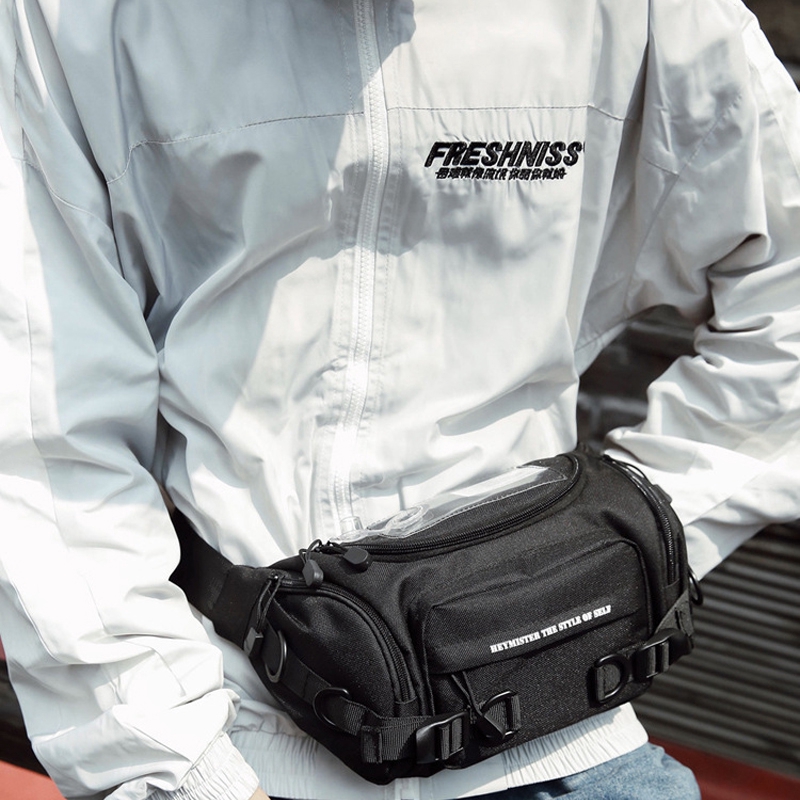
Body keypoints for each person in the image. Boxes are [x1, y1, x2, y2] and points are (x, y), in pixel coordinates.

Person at [1, 0, 800, 798]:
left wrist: (630, 542)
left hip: (566, 745)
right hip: (236, 741)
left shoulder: (643, 15)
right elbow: (41, 425)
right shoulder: (70, 19)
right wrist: (179, 771)